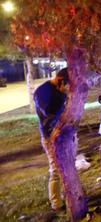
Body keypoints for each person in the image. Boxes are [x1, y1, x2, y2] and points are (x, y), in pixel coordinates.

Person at [33, 68, 68, 211]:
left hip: (62, 133)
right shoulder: (42, 91)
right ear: (60, 80)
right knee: (55, 169)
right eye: (66, 85)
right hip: (49, 135)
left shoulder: (59, 91)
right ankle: (56, 204)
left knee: (66, 167)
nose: (67, 89)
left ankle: (68, 196)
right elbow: (48, 110)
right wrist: (62, 96)